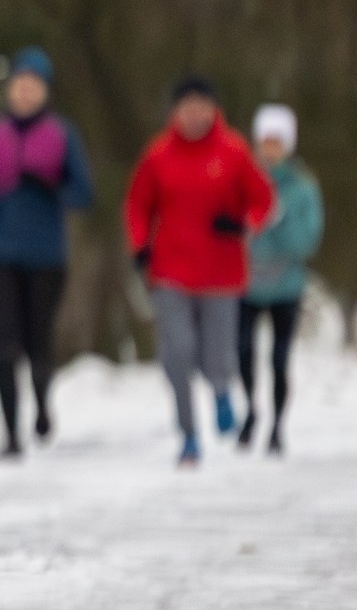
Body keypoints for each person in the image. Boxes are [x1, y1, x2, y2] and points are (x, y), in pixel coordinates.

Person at [122, 77, 273, 468]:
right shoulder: (158, 155)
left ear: (214, 110)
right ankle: (189, 435)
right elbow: (138, 205)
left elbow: (263, 199)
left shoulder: (234, 151)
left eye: (202, 107)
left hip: (221, 273)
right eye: (187, 108)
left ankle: (221, 391)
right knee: (177, 352)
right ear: (174, 113)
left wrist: (244, 224)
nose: (194, 116)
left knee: (215, 355)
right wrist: (140, 246)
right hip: (170, 270)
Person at [0, 47, 93, 457]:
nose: (25, 93)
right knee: (4, 345)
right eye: (19, 85)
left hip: (47, 256)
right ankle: (11, 434)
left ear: (46, 91)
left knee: (38, 343)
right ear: (10, 89)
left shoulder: (62, 136)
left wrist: (52, 187)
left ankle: (42, 403)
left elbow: (84, 194)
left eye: (34, 86)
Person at [237, 104, 322, 455]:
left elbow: (306, 242)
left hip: (287, 287)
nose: (270, 148)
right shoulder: (241, 179)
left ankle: (276, 425)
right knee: (242, 353)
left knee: (279, 359)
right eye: (265, 140)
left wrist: (277, 220)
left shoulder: (302, 188)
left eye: (277, 141)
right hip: (246, 284)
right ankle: (250, 412)